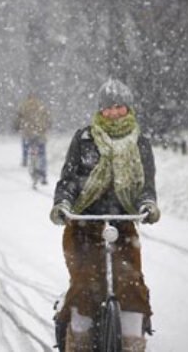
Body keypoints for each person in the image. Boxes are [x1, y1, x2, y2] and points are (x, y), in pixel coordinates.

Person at [49, 79, 161, 352]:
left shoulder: (140, 143)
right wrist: (63, 204)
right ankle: (79, 344)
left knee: (132, 284)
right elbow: (69, 180)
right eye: (108, 108)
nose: (114, 112)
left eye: (119, 107)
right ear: (100, 111)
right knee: (85, 285)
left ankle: (133, 343)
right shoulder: (84, 139)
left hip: (122, 226)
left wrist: (148, 204)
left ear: (128, 108)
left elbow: (147, 184)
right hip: (84, 225)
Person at [14, 93, 52, 184]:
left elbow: (18, 119)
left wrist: (17, 127)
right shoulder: (42, 106)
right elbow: (48, 119)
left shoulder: (23, 106)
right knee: (42, 154)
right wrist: (47, 126)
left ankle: (27, 161)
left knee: (29, 148)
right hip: (40, 133)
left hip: (28, 133)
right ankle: (43, 174)